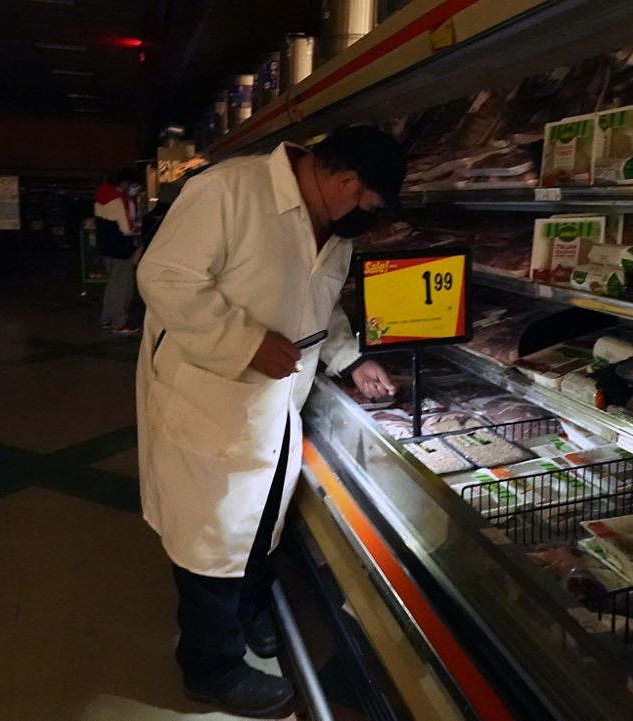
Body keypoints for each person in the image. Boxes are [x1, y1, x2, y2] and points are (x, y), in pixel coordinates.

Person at [135, 126, 404, 718]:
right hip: (212, 396)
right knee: (209, 541)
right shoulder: (231, 190)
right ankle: (211, 671)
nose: (369, 217)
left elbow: (321, 305)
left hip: (276, 404)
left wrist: (350, 358)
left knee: (256, 527)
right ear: (347, 182)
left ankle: (250, 609)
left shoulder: (332, 226)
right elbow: (165, 278)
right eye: (372, 205)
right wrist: (245, 343)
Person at [94, 168, 142, 334]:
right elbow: (128, 228)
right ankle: (119, 323)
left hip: (106, 247)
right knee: (122, 287)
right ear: (126, 183)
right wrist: (141, 227)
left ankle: (106, 319)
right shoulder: (121, 200)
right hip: (121, 249)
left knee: (112, 287)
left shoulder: (102, 194)